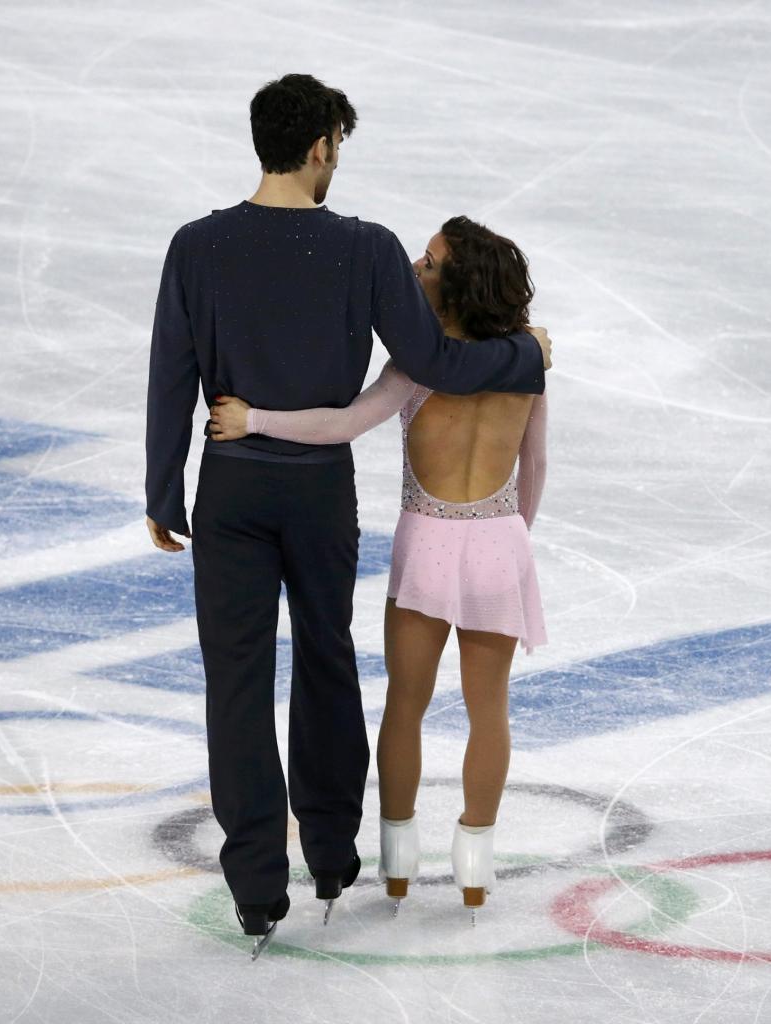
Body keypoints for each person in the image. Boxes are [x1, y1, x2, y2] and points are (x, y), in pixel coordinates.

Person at [144, 73, 552, 958]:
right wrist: (525, 355)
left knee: (236, 682)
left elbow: (171, 368)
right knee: (325, 660)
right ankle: (330, 856)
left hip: (231, 486)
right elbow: (437, 361)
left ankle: (257, 888)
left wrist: (162, 489)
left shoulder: (197, 245)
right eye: (339, 146)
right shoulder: (365, 248)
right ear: (322, 145)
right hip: (319, 492)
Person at [208, 214, 548, 922]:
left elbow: (341, 424)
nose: (415, 270)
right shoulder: (527, 363)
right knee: (490, 710)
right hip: (499, 544)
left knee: (406, 704)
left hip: (427, 549)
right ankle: (474, 866)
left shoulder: (414, 368)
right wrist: (510, 541)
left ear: (457, 285)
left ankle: (397, 862)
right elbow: (535, 464)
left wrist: (255, 420)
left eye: (429, 263)